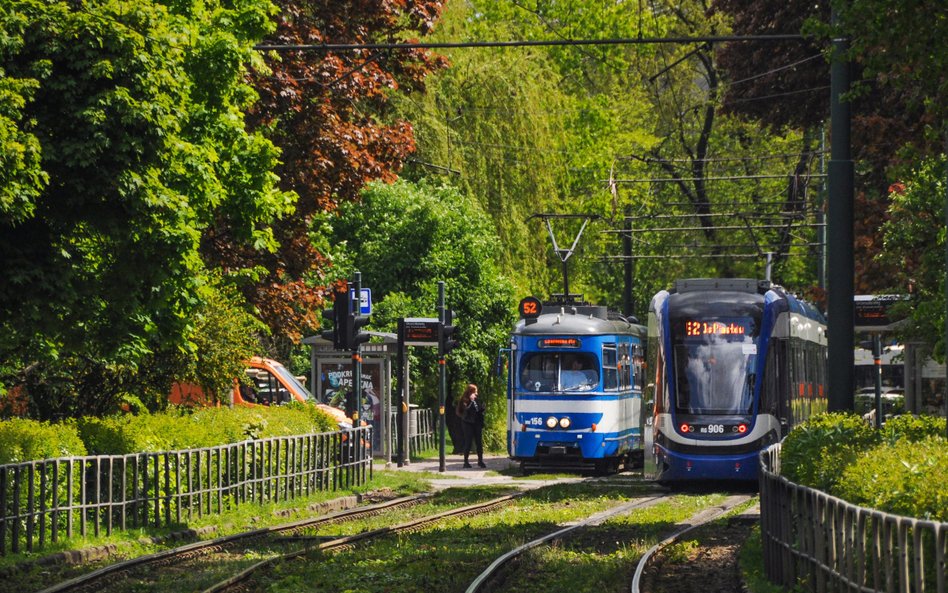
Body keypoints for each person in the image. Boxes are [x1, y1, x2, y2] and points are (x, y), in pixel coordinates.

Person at [455, 383, 486, 468]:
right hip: (467, 423)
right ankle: (466, 462)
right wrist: (471, 401)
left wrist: (482, 408)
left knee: (479, 442)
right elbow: (466, 410)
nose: (476, 393)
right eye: (475, 391)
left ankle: (480, 460)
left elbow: (478, 410)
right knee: (468, 442)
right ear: (470, 392)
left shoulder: (477, 399)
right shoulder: (464, 400)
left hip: (476, 422)